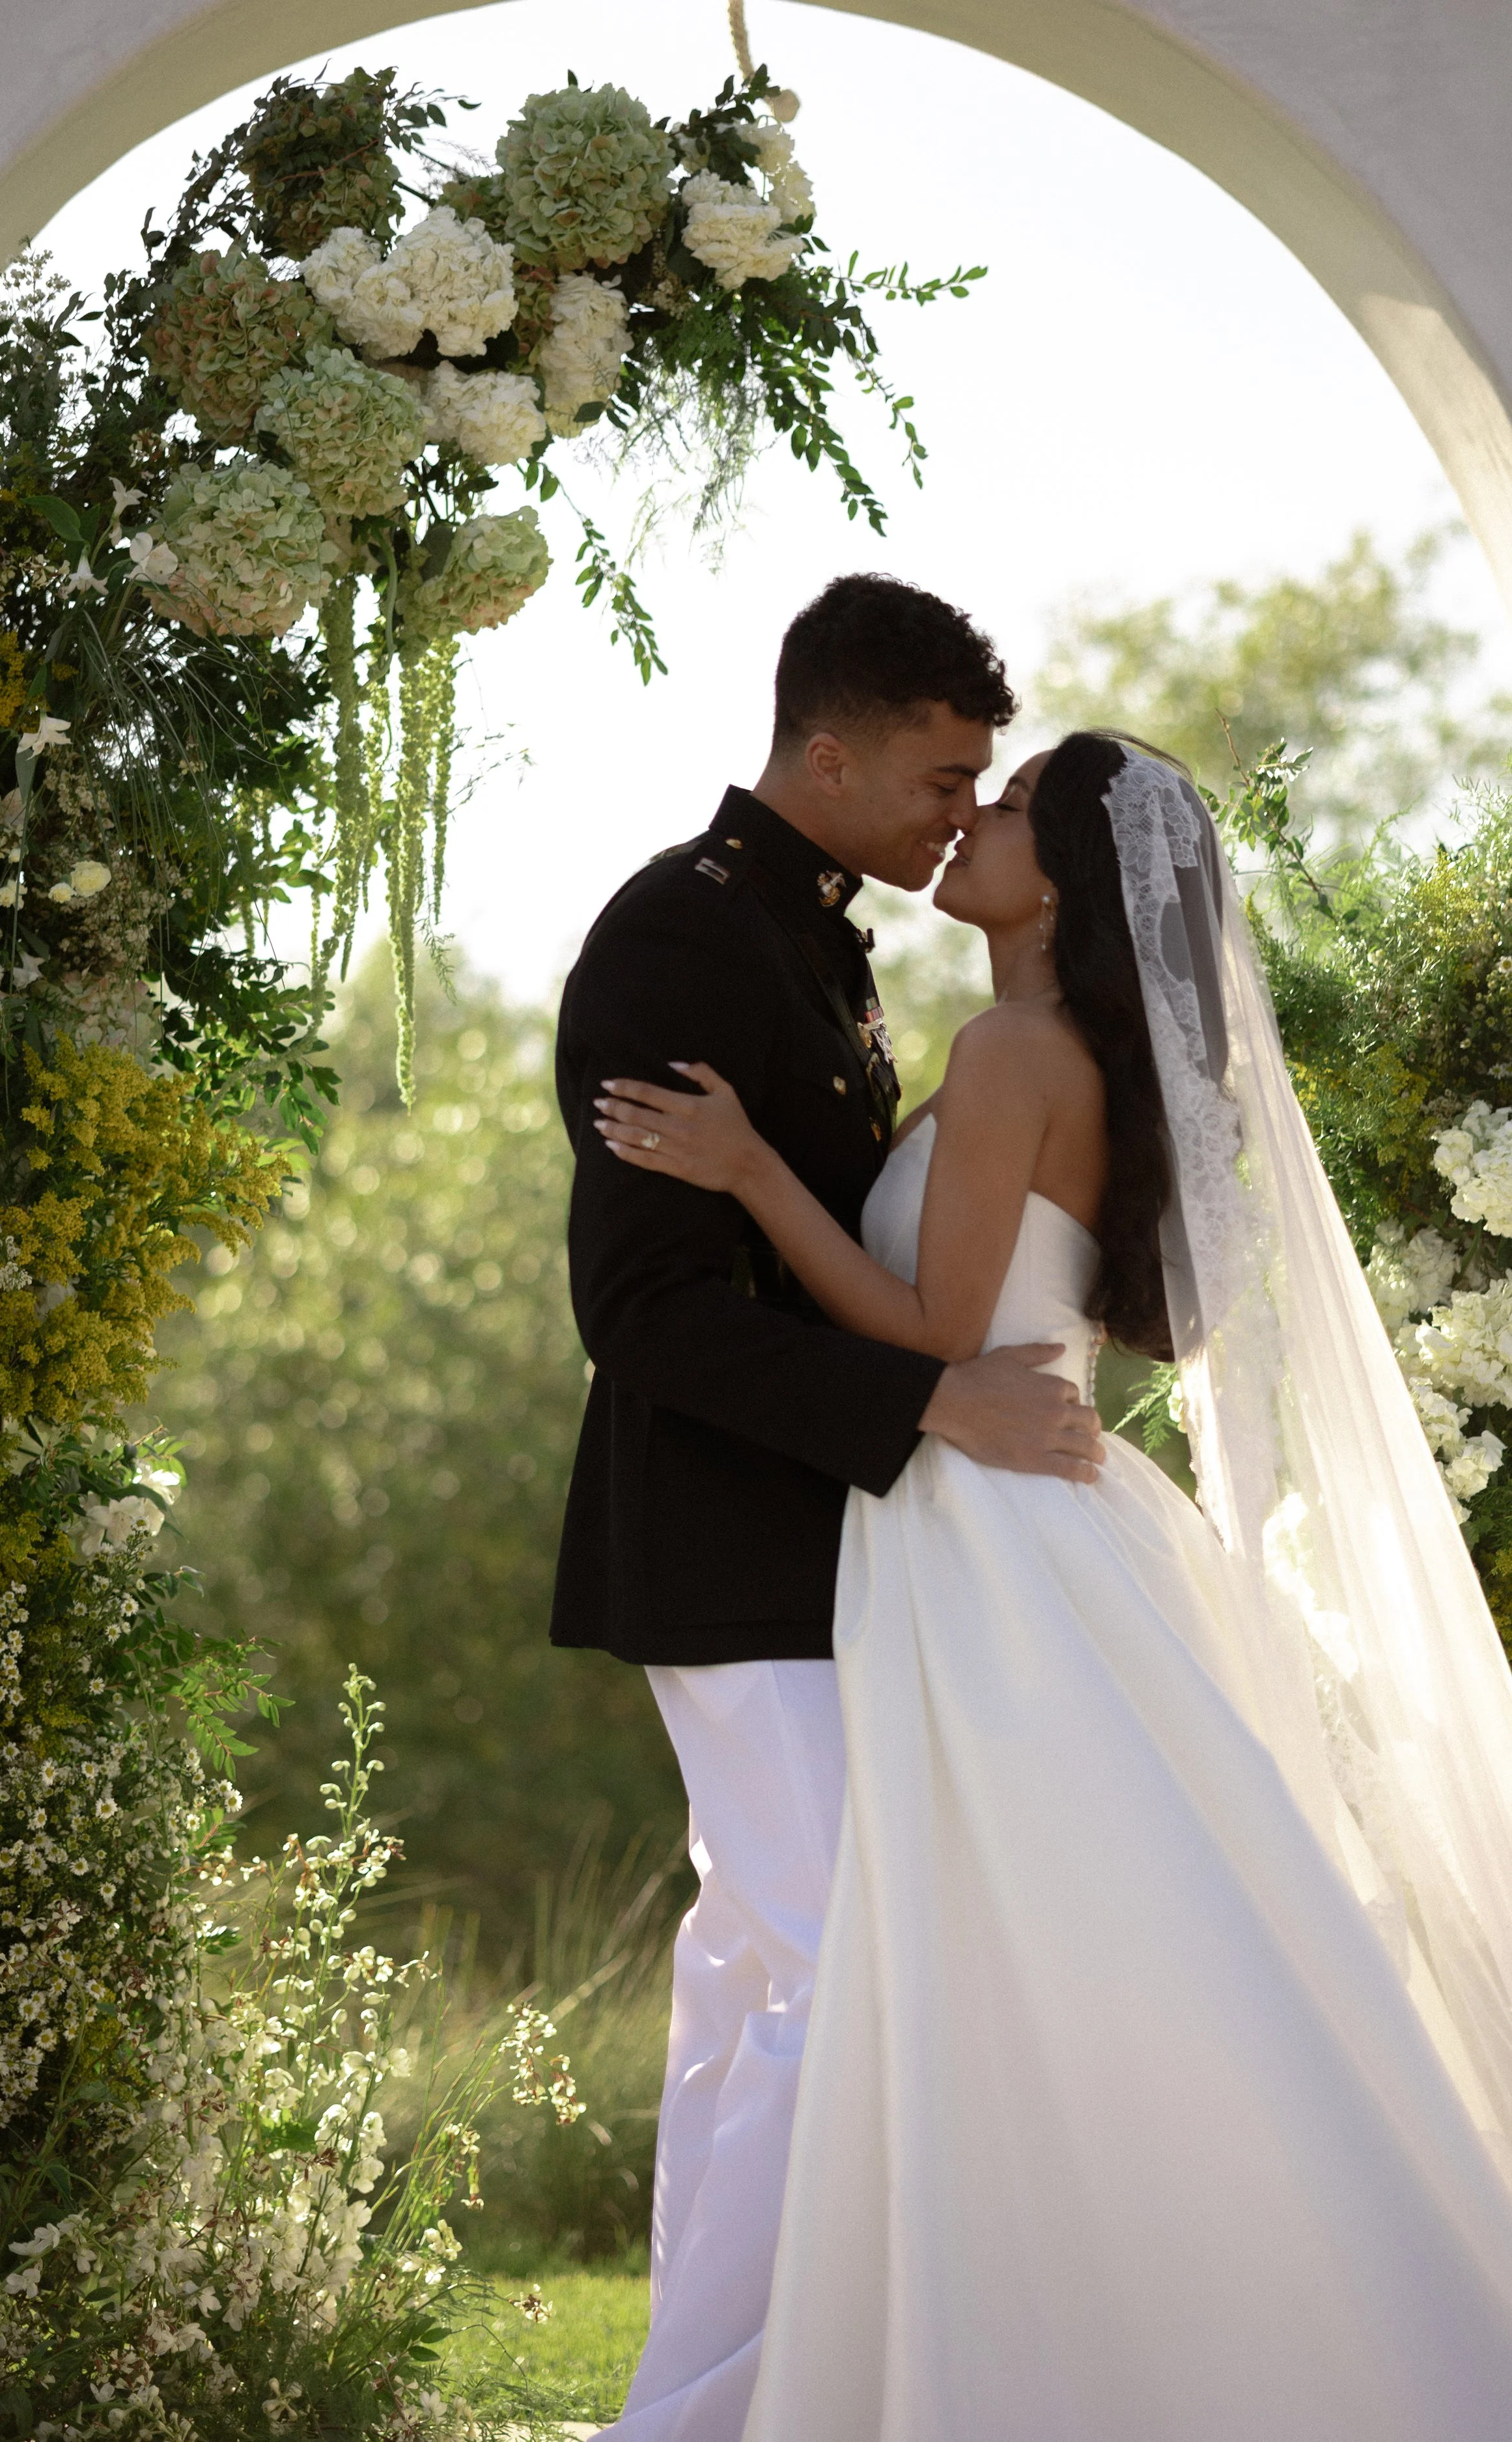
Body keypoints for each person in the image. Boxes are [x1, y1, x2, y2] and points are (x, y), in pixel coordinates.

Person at [596, 733, 1512, 2439]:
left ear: (1067, 877)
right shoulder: (1027, 1057)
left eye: (1006, 805)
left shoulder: (1013, 1049)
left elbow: (936, 1335)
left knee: (1038, 1936)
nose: (970, 820)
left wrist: (744, 1174)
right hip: (1005, 1521)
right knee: (1073, 1944)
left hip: (987, 1540)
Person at [550, 578, 1105, 2441]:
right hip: (725, 1547)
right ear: (827, 749)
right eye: (943, 774)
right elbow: (645, 1308)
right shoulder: (685, 937)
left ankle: (712, 2394)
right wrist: (930, 1397)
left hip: (822, 1550)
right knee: (831, 1986)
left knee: (747, 1990)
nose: (963, 806)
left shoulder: (819, 942)